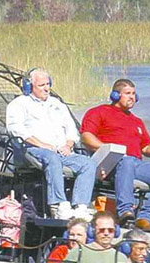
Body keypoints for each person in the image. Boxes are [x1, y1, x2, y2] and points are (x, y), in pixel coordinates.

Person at [80, 78, 150, 233]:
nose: (132, 97)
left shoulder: (136, 121)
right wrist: (109, 148)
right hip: (110, 163)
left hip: (134, 163)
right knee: (126, 161)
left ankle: (146, 218)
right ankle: (125, 211)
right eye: (127, 93)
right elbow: (86, 137)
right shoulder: (99, 112)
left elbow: (147, 149)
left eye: (134, 94)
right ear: (115, 95)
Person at [6, 68, 96, 220]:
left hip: (61, 150)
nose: (46, 88)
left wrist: (68, 144)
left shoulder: (57, 104)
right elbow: (16, 130)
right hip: (32, 149)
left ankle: (80, 206)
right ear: (29, 86)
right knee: (52, 159)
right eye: (42, 85)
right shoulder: (19, 104)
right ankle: (58, 205)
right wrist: (42, 145)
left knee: (87, 163)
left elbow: (71, 128)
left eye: (48, 84)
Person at [56, 211, 121, 263]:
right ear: (92, 231)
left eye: (110, 230)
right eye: (102, 230)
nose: (106, 233)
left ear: (115, 232)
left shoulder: (121, 257)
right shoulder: (78, 252)